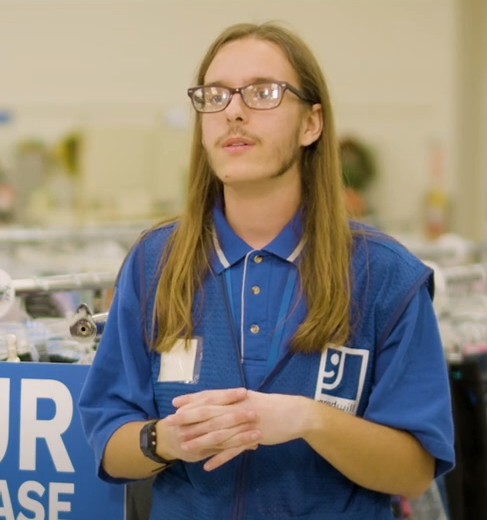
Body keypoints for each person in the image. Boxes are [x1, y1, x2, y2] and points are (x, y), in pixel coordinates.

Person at [77, 21, 455, 520]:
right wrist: (165, 439)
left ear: (311, 124)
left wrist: (306, 419)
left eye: (262, 92)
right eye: (215, 95)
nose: (233, 109)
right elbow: (107, 445)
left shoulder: (386, 276)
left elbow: (414, 471)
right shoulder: (154, 263)